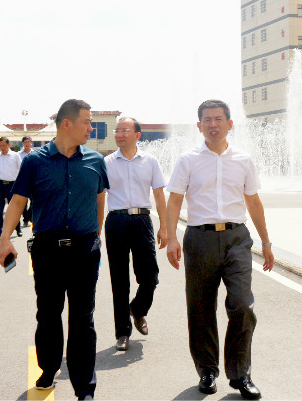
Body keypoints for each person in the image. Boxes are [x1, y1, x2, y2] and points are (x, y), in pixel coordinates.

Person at [0, 99, 109, 400]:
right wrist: (5, 239)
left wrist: (96, 234)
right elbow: (18, 201)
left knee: (83, 318)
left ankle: (84, 387)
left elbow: (100, 199)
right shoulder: (35, 161)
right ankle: (48, 368)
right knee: (48, 314)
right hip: (47, 250)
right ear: (66, 124)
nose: (91, 127)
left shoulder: (95, 161)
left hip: (85, 250)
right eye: (87, 121)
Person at [165, 100, 274, 400]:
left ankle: (240, 374)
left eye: (218, 119)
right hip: (199, 239)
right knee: (200, 308)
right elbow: (175, 200)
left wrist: (266, 242)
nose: (213, 124)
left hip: (237, 238)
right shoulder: (188, 160)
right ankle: (207, 370)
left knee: (242, 305)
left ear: (230, 123)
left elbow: (253, 201)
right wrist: (172, 238)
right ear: (199, 125)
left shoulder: (243, 159)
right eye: (207, 120)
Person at [104, 117, 167, 351]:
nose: (119, 135)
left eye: (125, 130)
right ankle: (122, 333)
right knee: (119, 280)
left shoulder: (150, 161)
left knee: (150, 276)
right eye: (117, 130)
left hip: (142, 220)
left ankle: (138, 309)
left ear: (137, 135)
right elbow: (99, 197)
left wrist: (164, 227)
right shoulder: (106, 162)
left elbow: (159, 195)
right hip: (116, 221)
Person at [0, 136, 22, 240]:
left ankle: (18, 228)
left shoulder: (15, 156)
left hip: (12, 185)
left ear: (8, 145)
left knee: (14, 209)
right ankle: (1, 232)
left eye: (4, 145)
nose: (2, 148)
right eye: (0, 146)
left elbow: (21, 171)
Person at [19, 136, 34, 227]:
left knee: (33, 201)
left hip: (33, 181)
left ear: (31, 143)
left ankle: (29, 215)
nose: (27, 144)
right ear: (23, 143)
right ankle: (25, 219)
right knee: (23, 202)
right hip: (22, 181)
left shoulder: (36, 154)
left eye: (29, 142)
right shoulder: (18, 155)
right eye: (25, 142)